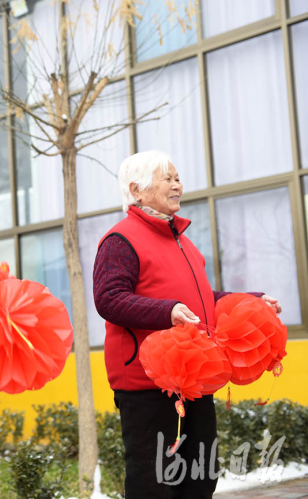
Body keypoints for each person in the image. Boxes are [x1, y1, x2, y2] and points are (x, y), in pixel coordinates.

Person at [92, 150, 282, 499]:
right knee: (155, 483)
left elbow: (202, 298)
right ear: (137, 189)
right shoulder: (120, 240)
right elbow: (108, 298)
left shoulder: (183, 242)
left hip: (194, 378)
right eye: (168, 178)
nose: (178, 185)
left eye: (178, 178)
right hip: (147, 382)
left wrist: (252, 300)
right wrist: (168, 310)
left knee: (200, 478)